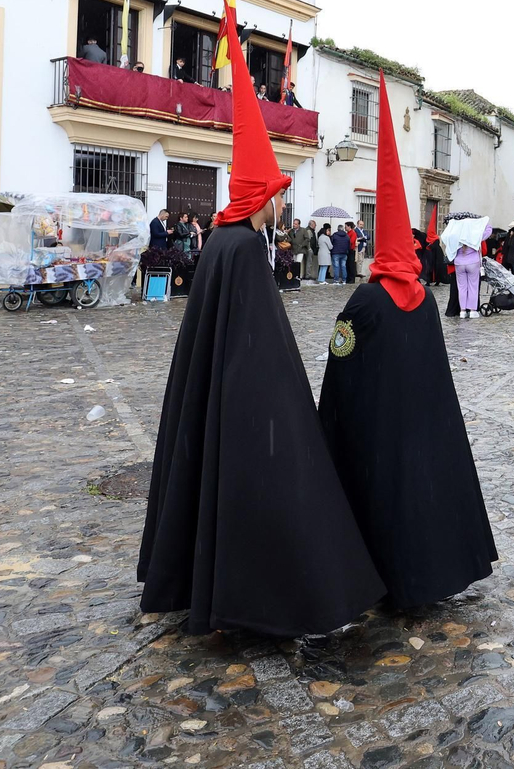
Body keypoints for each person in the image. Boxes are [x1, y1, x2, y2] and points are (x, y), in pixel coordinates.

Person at [140, 54, 385, 636]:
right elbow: (258, 343)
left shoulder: (222, 242)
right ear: (263, 199)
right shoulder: (246, 248)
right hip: (247, 400)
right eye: (278, 193)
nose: (282, 202)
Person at [317, 73, 496, 609]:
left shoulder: (366, 301)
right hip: (423, 429)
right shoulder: (421, 301)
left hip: (378, 433)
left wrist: (329, 425)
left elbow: (339, 360)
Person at [443, 215, 492, 319]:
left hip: (459, 263)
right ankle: (473, 310)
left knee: (462, 288)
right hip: (473, 262)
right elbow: (489, 230)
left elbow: (445, 236)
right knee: (473, 287)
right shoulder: (475, 234)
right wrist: (479, 221)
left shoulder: (456, 235)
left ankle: (462, 311)